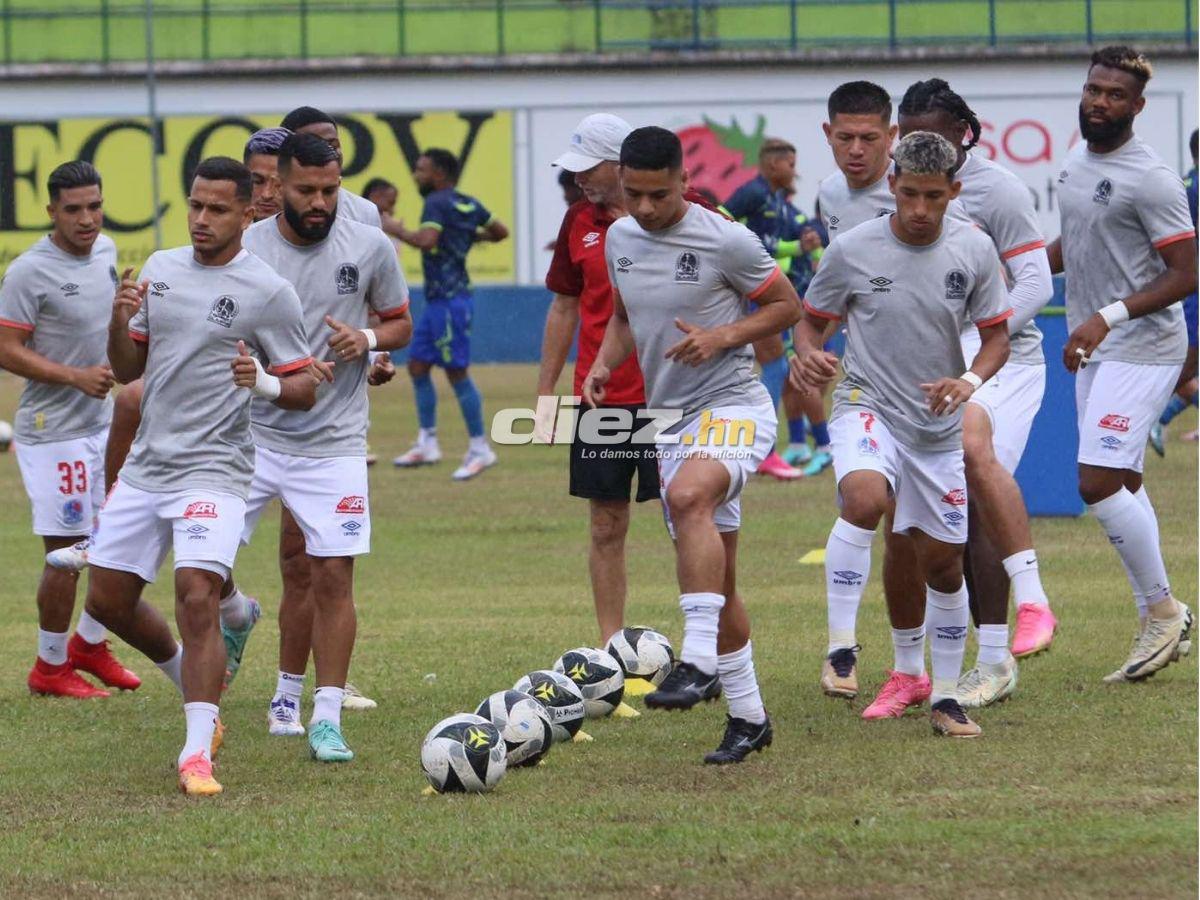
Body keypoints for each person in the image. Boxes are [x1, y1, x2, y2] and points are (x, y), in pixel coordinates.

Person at [83, 157, 317, 796]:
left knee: (195, 592)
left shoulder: (268, 291)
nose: (202, 219)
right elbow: (127, 365)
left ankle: (195, 754)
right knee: (105, 602)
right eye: (195, 205)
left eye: (217, 209)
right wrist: (117, 317)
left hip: (215, 469)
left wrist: (263, 382)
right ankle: (194, 678)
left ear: (248, 212)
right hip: (148, 465)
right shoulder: (159, 269)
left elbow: (303, 388)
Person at [586, 126, 802, 763]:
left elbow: (788, 306)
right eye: (633, 195)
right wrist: (603, 363)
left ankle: (699, 660)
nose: (645, 209)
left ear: (684, 181)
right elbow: (626, 318)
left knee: (685, 497)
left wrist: (723, 336)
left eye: (658, 194)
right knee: (720, 580)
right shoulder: (621, 238)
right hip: (671, 422)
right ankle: (749, 718)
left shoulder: (725, 239)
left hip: (735, 407)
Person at [795, 131, 1013, 737]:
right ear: (892, 187)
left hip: (935, 426)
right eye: (910, 194)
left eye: (934, 197)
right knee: (864, 498)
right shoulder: (852, 248)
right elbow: (810, 325)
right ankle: (842, 648)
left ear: (954, 193)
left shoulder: (973, 249)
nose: (920, 210)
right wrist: (807, 355)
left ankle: (944, 697)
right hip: (866, 403)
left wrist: (968, 381)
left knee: (942, 567)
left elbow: (998, 338)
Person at [231, 133, 411, 754]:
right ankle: (235, 619)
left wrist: (368, 339)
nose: (319, 201)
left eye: (330, 189)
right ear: (277, 186)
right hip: (251, 436)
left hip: (334, 443)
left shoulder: (368, 244)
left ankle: (323, 713)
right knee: (202, 568)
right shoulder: (248, 247)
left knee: (330, 576)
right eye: (306, 190)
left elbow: (400, 323)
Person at [896, 78, 1057, 707]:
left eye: (932, 138)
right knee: (937, 515)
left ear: (965, 133)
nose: (919, 151)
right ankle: (932, 663)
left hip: (1006, 361)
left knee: (973, 468)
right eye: (909, 139)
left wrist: (980, 335)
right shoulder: (894, 187)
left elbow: (1038, 283)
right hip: (930, 363)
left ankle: (1007, 638)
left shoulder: (1000, 190)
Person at [1048, 45, 1195, 682]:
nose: (1099, 102)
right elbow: (1074, 246)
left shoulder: (1152, 178)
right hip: (1098, 349)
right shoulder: (1076, 161)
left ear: (1136, 107)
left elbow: (1187, 272)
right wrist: (1012, 274)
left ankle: (1163, 610)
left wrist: (1105, 317)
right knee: (1124, 483)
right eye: (1093, 90)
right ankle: (1158, 620)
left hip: (1144, 347)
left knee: (1095, 481)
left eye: (1114, 95)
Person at [0, 161, 140, 699]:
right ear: (51, 212)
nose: (87, 219)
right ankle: (50, 666)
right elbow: (6, 348)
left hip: (102, 424)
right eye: (74, 209)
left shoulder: (105, 253)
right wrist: (74, 376)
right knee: (68, 551)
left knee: (113, 539)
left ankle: (90, 645)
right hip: (51, 430)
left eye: (95, 206)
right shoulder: (30, 271)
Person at [540, 114, 661, 651]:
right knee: (605, 526)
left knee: (689, 519)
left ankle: (706, 649)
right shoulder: (577, 222)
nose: (580, 179)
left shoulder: (689, 213)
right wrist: (547, 392)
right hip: (602, 399)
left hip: (672, 395)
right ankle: (613, 647)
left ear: (621, 163)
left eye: (589, 168)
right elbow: (565, 306)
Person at [392, 148, 510, 480]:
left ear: (439, 174)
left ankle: (480, 448)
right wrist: (468, 236)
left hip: (450, 301)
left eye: (422, 169)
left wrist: (393, 228)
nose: (416, 175)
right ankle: (427, 442)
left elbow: (427, 241)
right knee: (417, 366)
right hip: (439, 301)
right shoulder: (467, 203)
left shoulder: (436, 202)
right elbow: (501, 231)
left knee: (456, 371)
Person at [721, 139, 805, 481]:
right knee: (774, 365)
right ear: (772, 165)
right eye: (789, 164)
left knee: (775, 366)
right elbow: (722, 219)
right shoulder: (753, 193)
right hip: (752, 290)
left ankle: (758, 448)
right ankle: (763, 451)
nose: (794, 171)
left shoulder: (774, 198)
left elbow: (771, 247)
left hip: (767, 289)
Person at [1149, 126, 1199, 452]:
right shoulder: (1191, 188)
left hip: (1185, 283)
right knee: (1188, 360)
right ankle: (1150, 413)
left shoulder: (1183, 184)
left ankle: (1157, 417)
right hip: (1193, 285)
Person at [279, 106, 382, 227]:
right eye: (314, 145)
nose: (327, 152)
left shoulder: (364, 212)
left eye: (333, 145)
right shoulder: (265, 206)